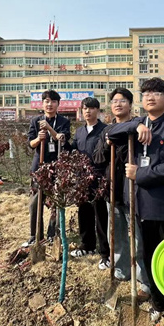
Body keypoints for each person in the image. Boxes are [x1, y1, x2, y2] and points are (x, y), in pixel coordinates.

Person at [107, 78, 164, 326]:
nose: (150, 97)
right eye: (146, 93)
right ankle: (159, 304)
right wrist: (136, 124)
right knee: (150, 257)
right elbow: (111, 134)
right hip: (139, 205)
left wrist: (140, 173)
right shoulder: (141, 124)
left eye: (157, 93)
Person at [93, 88, 151, 298]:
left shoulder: (139, 126)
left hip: (133, 190)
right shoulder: (106, 130)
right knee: (115, 233)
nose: (118, 104)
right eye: (115, 101)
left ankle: (144, 279)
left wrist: (134, 126)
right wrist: (107, 143)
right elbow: (98, 157)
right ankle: (121, 269)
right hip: (113, 189)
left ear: (130, 104)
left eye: (123, 101)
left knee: (137, 235)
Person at [22, 90, 71, 248]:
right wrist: (38, 138)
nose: (49, 104)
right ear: (42, 104)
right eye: (46, 101)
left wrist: (50, 129)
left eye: (53, 101)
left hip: (57, 166)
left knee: (56, 202)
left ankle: (53, 234)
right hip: (40, 166)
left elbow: (62, 139)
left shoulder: (64, 121)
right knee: (35, 202)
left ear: (58, 104)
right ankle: (35, 235)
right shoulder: (35, 121)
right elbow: (30, 144)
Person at [70, 97, 110, 269]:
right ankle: (87, 246)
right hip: (82, 180)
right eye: (85, 108)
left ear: (98, 111)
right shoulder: (79, 132)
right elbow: (73, 150)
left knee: (101, 216)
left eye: (92, 108)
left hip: (99, 180)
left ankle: (105, 253)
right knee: (84, 213)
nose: (88, 111)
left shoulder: (105, 130)